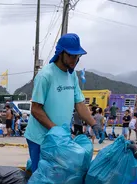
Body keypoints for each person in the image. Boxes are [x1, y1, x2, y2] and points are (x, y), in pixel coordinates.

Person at [24, 33, 96, 173]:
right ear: (60, 53)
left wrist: (94, 124)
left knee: (57, 178)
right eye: (71, 55)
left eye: (77, 56)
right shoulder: (46, 75)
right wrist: (56, 130)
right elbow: (36, 109)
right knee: (42, 179)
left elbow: (79, 103)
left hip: (60, 139)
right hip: (40, 138)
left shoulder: (72, 75)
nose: (75, 60)